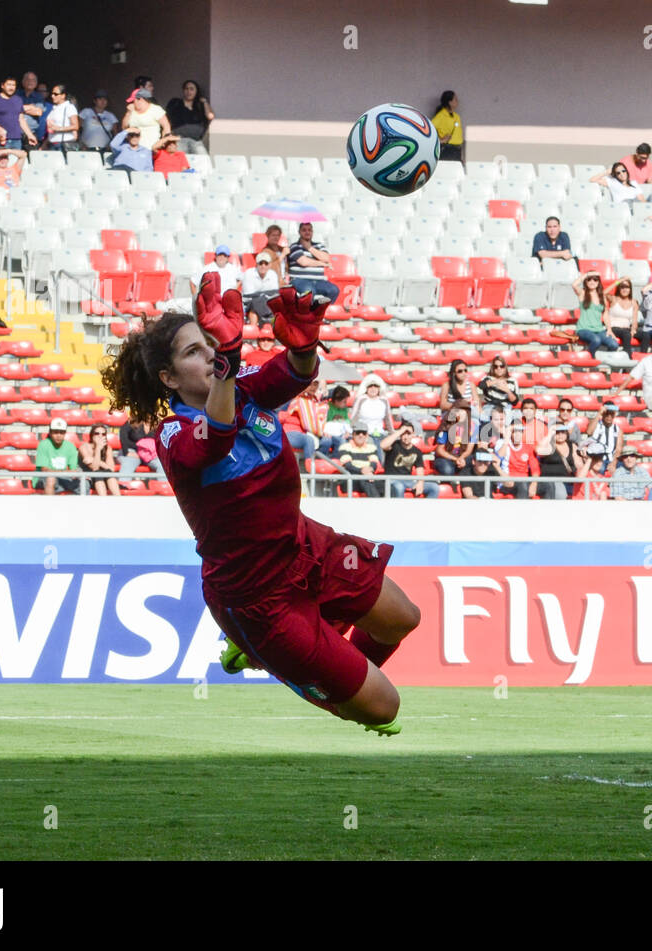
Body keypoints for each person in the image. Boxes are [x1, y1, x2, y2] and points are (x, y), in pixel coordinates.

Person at [99, 275, 418, 735]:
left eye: (211, 345)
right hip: (256, 596)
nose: (210, 355)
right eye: (195, 352)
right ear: (168, 379)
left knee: (403, 619)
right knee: (384, 707)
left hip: (305, 545)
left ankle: (326, 666)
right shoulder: (171, 434)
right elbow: (217, 436)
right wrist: (227, 366)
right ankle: (295, 667)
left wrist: (305, 344)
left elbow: (291, 373)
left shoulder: (242, 383)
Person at [382, 422, 439, 498]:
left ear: (413, 435)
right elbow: (383, 445)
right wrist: (400, 431)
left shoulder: (417, 451)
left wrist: (420, 483)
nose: (406, 437)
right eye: (403, 434)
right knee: (399, 487)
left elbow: (420, 469)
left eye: (408, 434)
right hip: (392, 480)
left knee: (434, 487)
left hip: (408, 481)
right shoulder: (393, 445)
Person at [286, 222, 339, 302]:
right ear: (299, 232)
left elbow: (326, 258)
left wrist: (309, 248)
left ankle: (323, 311)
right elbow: (303, 262)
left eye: (309, 230)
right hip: (300, 279)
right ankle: (308, 313)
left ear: (312, 232)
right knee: (309, 291)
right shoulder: (294, 246)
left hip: (319, 280)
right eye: (304, 230)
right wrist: (322, 263)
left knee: (334, 290)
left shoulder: (319, 246)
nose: (307, 232)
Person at [573, 271, 618, 358]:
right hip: (583, 329)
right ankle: (590, 359)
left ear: (598, 282)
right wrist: (586, 274)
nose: (592, 282)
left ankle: (604, 362)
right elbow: (574, 285)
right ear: (585, 282)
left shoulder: (602, 296)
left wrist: (609, 329)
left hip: (599, 329)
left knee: (614, 345)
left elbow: (605, 314)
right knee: (596, 340)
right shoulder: (583, 293)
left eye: (595, 279)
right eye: (589, 279)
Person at [536, 424, 588, 500]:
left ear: (566, 433)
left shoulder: (572, 445)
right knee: (561, 493)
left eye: (563, 432)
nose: (560, 435)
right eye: (557, 432)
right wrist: (550, 434)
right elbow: (538, 451)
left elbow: (579, 465)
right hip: (551, 481)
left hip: (569, 480)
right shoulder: (550, 446)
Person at [0, 77, 35, 151]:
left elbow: (21, 119)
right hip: (0, 140)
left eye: (13, 85)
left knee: (16, 162)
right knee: (0, 162)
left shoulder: (18, 100)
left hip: (16, 141)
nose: (11, 87)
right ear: (2, 85)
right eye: (9, 85)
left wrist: (30, 135)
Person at [165, 80, 215, 155]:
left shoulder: (199, 105)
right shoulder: (176, 103)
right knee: (181, 163)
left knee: (202, 161)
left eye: (192, 89)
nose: (189, 91)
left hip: (196, 141)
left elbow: (210, 116)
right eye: (186, 89)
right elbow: (166, 119)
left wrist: (204, 102)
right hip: (179, 140)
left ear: (196, 91)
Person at [35, 418, 80, 495]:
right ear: (50, 432)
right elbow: (45, 470)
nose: (58, 435)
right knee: (51, 478)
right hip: (43, 478)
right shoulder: (43, 444)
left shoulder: (70, 446)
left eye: (61, 433)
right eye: (55, 432)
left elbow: (73, 470)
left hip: (63, 477)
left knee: (83, 483)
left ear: (65, 433)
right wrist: (65, 472)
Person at [337, 423, 381, 497]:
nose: (361, 435)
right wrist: (362, 471)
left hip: (368, 477)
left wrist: (369, 470)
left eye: (363, 433)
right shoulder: (345, 447)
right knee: (365, 480)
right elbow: (348, 466)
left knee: (388, 484)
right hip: (350, 479)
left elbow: (374, 464)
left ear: (367, 435)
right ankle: (378, 505)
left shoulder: (372, 447)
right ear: (353, 435)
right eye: (358, 433)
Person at [239, 251, 282, 323]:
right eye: (261, 263)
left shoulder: (273, 274)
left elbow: (274, 295)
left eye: (266, 263)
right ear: (256, 264)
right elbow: (248, 296)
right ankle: (253, 331)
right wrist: (264, 295)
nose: (263, 266)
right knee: (254, 307)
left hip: (266, 302)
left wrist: (262, 296)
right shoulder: (249, 274)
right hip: (250, 304)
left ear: (270, 265)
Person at [79, 424, 122, 496]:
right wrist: (98, 449)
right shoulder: (85, 447)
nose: (100, 436)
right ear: (92, 435)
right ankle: (103, 502)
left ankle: (119, 500)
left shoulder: (108, 448)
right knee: (98, 474)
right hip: (90, 478)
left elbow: (111, 469)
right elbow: (94, 467)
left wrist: (93, 459)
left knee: (109, 474)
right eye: (97, 433)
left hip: (106, 478)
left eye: (103, 434)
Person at [433, 405, 474, 478]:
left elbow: (469, 449)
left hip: (462, 456)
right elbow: (439, 450)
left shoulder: (472, 427)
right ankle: (447, 486)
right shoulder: (446, 428)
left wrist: (461, 458)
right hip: (446, 458)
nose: (462, 414)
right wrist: (455, 459)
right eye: (460, 411)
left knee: (476, 462)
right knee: (447, 469)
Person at [604, 278, 640, 353]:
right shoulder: (613, 299)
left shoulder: (634, 302)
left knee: (645, 335)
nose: (624, 289)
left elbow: (634, 320)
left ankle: (643, 357)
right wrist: (618, 282)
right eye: (622, 287)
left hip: (627, 328)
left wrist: (633, 329)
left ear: (630, 289)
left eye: (627, 287)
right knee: (627, 334)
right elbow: (604, 293)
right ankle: (627, 355)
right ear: (619, 288)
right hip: (614, 327)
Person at [587, 403, 625, 474]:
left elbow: (618, 449)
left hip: (612, 459)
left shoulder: (618, 429)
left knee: (625, 470)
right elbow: (589, 431)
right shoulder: (596, 425)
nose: (609, 416)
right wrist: (599, 413)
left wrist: (613, 463)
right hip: (598, 459)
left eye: (612, 414)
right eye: (607, 413)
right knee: (601, 469)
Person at [43, 84, 80, 151]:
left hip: (65, 143)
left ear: (63, 95)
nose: (52, 96)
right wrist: (45, 144)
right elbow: (51, 128)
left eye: (56, 94)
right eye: (52, 94)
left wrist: (59, 128)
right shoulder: (54, 108)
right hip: (52, 143)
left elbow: (75, 126)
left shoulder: (69, 107)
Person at [431, 90, 464, 163]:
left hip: (457, 149)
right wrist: (440, 140)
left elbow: (458, 135)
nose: (457, 101)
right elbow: (428, 130)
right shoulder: (441, 116)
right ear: (450, 102)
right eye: (455, 99)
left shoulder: (456, 116)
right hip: (447, 149)